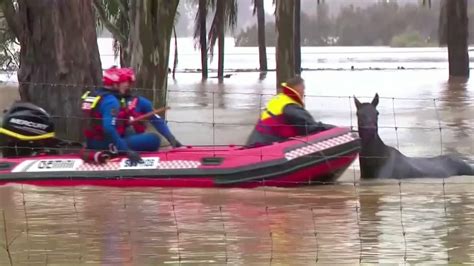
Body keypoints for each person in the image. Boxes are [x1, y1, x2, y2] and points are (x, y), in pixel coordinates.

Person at [246, 76, 333, 147]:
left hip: (255, 142)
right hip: (266, 146)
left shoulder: (279, 99)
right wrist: (332, 128)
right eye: (303, 89)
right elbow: (310, 127)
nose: (304, 92)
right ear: (298, 88)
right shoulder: (290, 106)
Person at [117, 68, 182, 148]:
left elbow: (157, 120)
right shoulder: (109, 100)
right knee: (154, 139)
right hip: (113, 140)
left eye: (126, 82)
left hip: (130, 139)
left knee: (154, 138)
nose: (126, 85)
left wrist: (171, 138)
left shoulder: (140, 102)